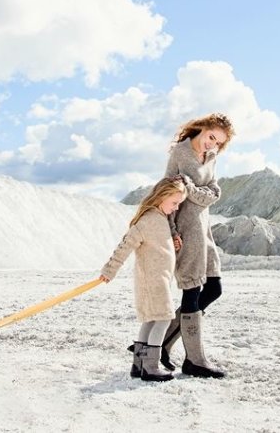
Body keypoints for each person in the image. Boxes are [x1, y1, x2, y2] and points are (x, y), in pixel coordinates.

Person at [160, 113, 235, 378]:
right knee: (191, 290)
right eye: (210, 137)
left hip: (204, 229)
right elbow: (165, 191)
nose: (211, 144)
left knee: (214, 288)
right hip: (186, 229)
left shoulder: (211, 158)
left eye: (218, 142)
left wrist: (194, 191)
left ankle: (161, 342)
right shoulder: (180, 154)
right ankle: (195, 361)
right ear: (201, 129)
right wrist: (171, 230)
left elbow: (214, 191)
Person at [100, 176, 186, 382]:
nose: (175, 208)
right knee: (164, 317)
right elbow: (125, 245)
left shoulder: (159, 218)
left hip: (159, 280)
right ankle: (151, 366)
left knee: (151, 319)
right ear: (161, 197)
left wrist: (171, 243)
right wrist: (110, 270)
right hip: (152, 281)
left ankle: (138, 365)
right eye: (174, 203)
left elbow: (157, 246)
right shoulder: (148, 220)